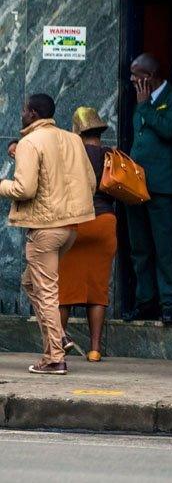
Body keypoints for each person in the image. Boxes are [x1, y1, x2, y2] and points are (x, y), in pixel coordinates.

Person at [0, 94, 96, 375]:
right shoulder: (73, 139)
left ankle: (54, 357)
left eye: (23, 110)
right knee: (31, 284)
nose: (21, 114)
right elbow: (90, 182)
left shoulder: (30, 142)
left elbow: (24, 189)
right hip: (70, 229)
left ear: (32, 113)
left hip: (44, 229)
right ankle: (60, 337)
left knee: (45, 292)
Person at [126, 53, 172, 323]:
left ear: (149, 77)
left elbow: (170, 129)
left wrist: (145, 107)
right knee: (140, 248)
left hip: (162, 187)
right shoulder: (142, 102)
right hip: (134, 186)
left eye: (135, 75)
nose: (131, 80)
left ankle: (168, 304)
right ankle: (145, 302)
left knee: (165, 248)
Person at [58, 107, 117, 363]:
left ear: (77, 130)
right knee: (97, 289)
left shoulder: (69, 154)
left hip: (76, 223)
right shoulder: (112, 155)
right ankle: (95, 350)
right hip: (105, 224)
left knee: (63, 289)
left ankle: (57, 344)